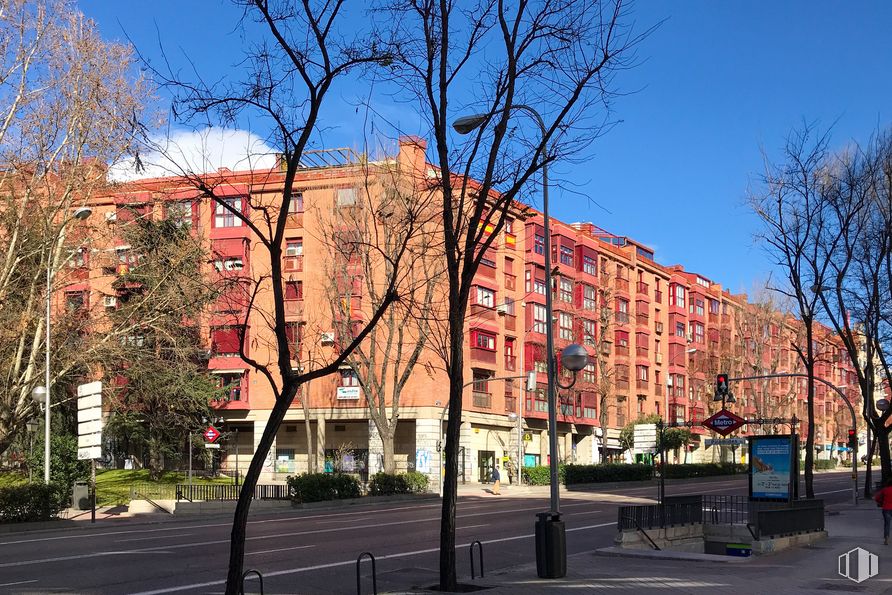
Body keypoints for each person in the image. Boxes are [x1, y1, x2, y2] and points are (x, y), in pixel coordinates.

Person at [874, 479, 892, 545]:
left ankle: (886, 538)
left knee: (887, 524)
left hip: (886, 508)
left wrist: (880, 502)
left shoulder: (885, 490)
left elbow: (877, 498)